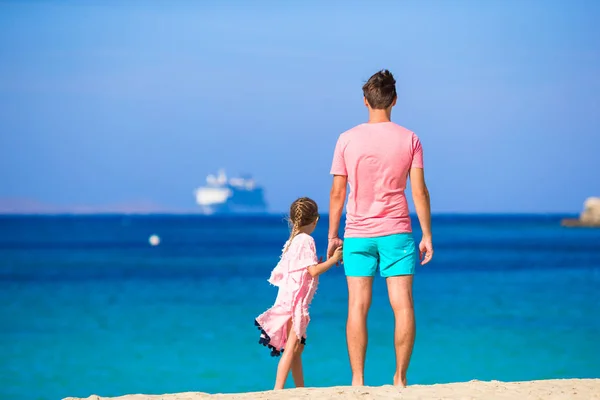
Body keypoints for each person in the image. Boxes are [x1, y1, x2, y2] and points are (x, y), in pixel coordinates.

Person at [327, 69, 433, 387]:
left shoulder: (346, 139)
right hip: (397, 232)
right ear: (394, 100)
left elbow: (337, 193)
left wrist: (333, 235)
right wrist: (427, 234)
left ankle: (358, 380)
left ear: (365, 101)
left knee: (357, 306)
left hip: (357, 232)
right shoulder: (410, 139)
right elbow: (419, 192)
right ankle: (400, 379)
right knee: (402, 305)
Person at [255, 197, 343, 390]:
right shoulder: (306, 240)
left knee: (296, 348)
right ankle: (278, 390)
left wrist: (317, 264)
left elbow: (302, 270)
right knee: (291, 348)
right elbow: (312, 271)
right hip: (296, 303)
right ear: (316, 220)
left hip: (288, 299)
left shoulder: (293, 241)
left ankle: (300, 388)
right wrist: (334, 259)